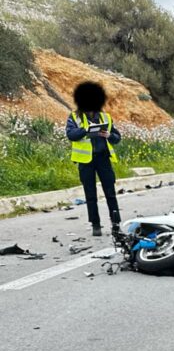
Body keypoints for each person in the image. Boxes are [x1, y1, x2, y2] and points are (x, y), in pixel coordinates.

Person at [66, 82, 122, 237]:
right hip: (85, 162)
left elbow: (117, 138)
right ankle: (95, 225)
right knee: (90, 195)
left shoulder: (105, 117)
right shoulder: (75, 117)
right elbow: (70, 135)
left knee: (110, 193)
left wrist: (109, 135)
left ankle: (116, 224)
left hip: (103, 159)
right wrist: (86, 130)